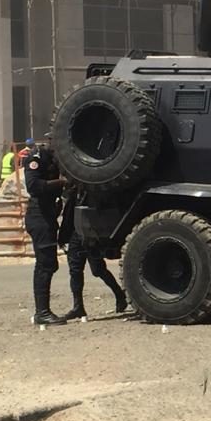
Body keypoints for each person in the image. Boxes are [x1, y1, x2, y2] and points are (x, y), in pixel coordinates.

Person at [58, 186, 128, 320]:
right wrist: (63, 237)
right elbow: (68, 215)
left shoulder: (95, 191)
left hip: (91, 236)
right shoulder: (74, 192)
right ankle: (78, 306)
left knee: (98, 270)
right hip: (76, 235)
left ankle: (119, 294)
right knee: (75, 271)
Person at [23, 133, 67, 325]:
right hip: (38, 215)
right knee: (45, 263)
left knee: (49, 263)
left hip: (47, 215)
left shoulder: (56, 161)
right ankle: (42, 312)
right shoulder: (36, 158)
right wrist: (62, 183)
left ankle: (43, 311)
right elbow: (33, 186)